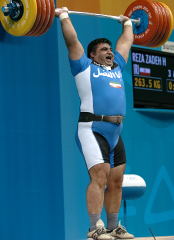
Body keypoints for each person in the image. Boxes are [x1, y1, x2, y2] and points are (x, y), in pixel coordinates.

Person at [55, 7, 134, 240]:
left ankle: (112, 227)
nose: (109, 52)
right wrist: (64, 16)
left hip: (116, 131)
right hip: (91, 128)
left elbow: (126, 42)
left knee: (116, 180)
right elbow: (72, 41)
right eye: (103, 50)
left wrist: (127, 24)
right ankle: (94, 228)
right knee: (99, 175)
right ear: (92, 55)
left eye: (110, 49)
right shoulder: (83, 67)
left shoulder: (117, 66)